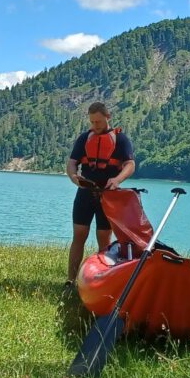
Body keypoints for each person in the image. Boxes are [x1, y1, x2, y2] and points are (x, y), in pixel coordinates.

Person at [64, 102, 136, 291]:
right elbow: (72, 163)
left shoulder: (121, 140)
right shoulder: (84, 138)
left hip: (108, 196)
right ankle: (70, 281)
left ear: (108, 117)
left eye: (98, 121)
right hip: (85, 194)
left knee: (104, 239)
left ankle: (104, 282)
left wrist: (117, 179)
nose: (95, 126)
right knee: (79, 236)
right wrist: (73, 177)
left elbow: (130, 164)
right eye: (92, 122)